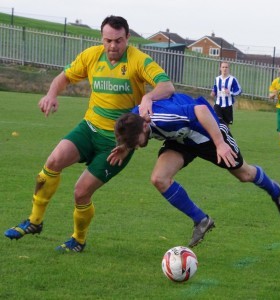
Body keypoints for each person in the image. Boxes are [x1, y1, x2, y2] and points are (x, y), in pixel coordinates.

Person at [4, 15, 175, 252]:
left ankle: (78, 240)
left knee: (81, 192)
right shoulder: (91, 55)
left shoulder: (139, 60)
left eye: (118, 40)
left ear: (127, 38)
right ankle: (34, 221)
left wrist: (148, 96)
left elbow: (167, 86)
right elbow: (63, 77)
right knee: (52, 163)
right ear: (101, 38)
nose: (113, 46)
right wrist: (51, 94)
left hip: (118, 143)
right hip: (89, 127)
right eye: (108, 40)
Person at [108, 93, 280, 248]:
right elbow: (131, 135)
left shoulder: (164, 118)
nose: (138, 147)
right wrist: (126, 147)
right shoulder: (133, 121)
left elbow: (200, 110)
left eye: (136, 142)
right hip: (180, 139)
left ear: (145, 125)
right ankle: (201, 220)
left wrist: (220, 144)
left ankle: (275, 190)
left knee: (245, 174)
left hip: (206, 131)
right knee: (159, 178)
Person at [210, 61, 242, 126]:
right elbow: (215, 88)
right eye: (223, 67)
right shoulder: (217, 79)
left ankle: (225, 136)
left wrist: (230, 92)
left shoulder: (232, 79)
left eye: (226, 67)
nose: (225, 69)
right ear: (220, 68)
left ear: (229, 69)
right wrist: (213, 92)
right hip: (218, 104)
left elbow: (239, 90)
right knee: (217, 123)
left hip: (228, 105)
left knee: (226, 126)